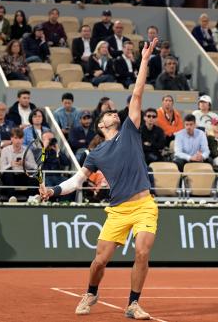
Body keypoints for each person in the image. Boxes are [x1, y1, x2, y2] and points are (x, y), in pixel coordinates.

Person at [39, 39, 162, 320]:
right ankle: (91, 292)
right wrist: (54, 191)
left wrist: (144, 60)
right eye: (108, 114)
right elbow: (76, 182)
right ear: (101, 125)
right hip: (117, 211)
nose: (112, 113)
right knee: (99, 261)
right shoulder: (95, 154)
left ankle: (133, 303)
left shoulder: (130, 130)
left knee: (142, 253)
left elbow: (138, 93)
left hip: (145, 205)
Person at [0, 128, 38, 199]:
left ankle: (31, 198)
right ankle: (12, 197)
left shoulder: (27, 150)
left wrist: (25, 163)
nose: (18, 141)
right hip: (10, 177)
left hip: (23, 175)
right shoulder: (5, 150)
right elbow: (2, 169)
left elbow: (35, 167)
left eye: (20, 138)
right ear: (11, 139)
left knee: (33, 176)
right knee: (8, 174)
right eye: (16, 138)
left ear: (23, 139)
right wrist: (11, 165)